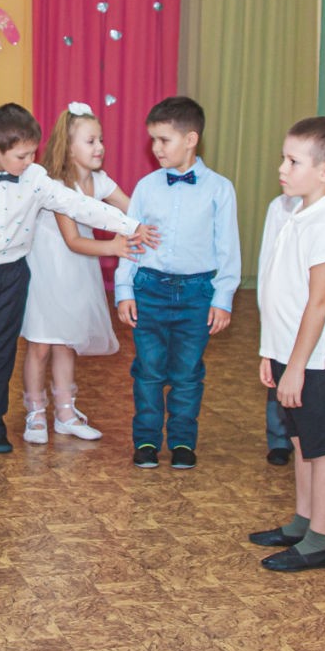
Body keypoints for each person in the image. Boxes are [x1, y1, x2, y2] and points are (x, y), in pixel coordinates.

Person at [0, 104, 150, 454]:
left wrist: (131, 225)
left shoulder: (36, 178)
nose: (31, 161)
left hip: (14, 275)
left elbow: (79, 205)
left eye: (33, 153)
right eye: (22, 156)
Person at [251, 118, 325, 573]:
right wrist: (270, 351)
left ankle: (321, 541)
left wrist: (296, 366)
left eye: (293, 161)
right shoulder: (297, 214)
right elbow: (278, 290)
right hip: (289, 353)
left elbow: (319, 302)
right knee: (301, 441)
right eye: (284, 158)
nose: (282, 168)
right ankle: (302, 521)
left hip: (314, 360)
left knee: (323, 448)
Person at [115, 97, 239, 469]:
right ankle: (147, 440)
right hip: (149, 289)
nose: (156, 148)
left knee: (187, 372)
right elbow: (131, 241)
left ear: (191, 139)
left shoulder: (219, 189)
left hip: (197, 294)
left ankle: (183, 441)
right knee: (148, 370)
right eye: (153, 139)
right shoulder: (146, 187)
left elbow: (227, 247)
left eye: (164, 140)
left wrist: (223, 297)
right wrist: (124, 289)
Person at [20, 103, 133, 444]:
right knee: (40, 344)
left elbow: (132, 209)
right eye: (90, 141)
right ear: (69, 147)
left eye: (101, 140)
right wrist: (114, 246)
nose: (100, 147)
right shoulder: (56, 185)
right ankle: (35, 412)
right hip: (47, 273)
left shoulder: (100, 181)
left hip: (77, 274)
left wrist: (150, 225)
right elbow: (72, 240)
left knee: (66, 342)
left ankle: (66, 413)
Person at [260, 188, 325, 467]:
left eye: (294, 165)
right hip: (283, 324)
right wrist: (267, 331)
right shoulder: (279, 206)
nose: (284, 169)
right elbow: (267, 265)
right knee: (281, 387)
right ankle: (280, 439)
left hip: (318, 325)